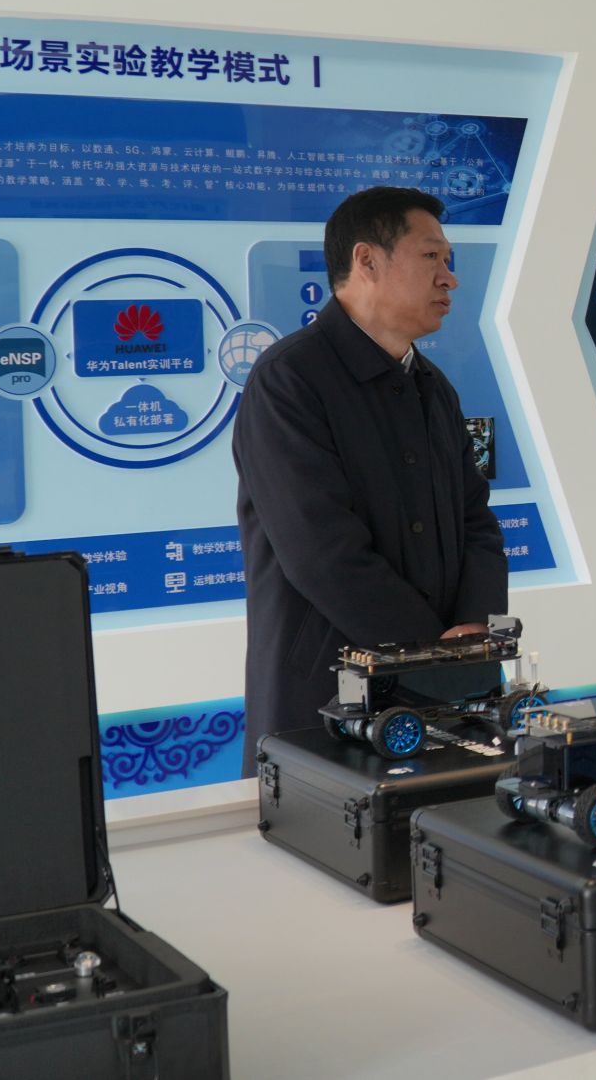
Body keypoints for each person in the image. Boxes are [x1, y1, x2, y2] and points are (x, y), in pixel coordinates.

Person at [235, 186, 506, 772]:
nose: (450, 278)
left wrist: (474, 627)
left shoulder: (435, 386)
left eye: (448, 260)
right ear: (366, 260)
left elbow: (476, 519)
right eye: (431, 257)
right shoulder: (289, 378)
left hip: (446, 688)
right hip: (328, 693)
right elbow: (321, 552)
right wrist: (433, 654)